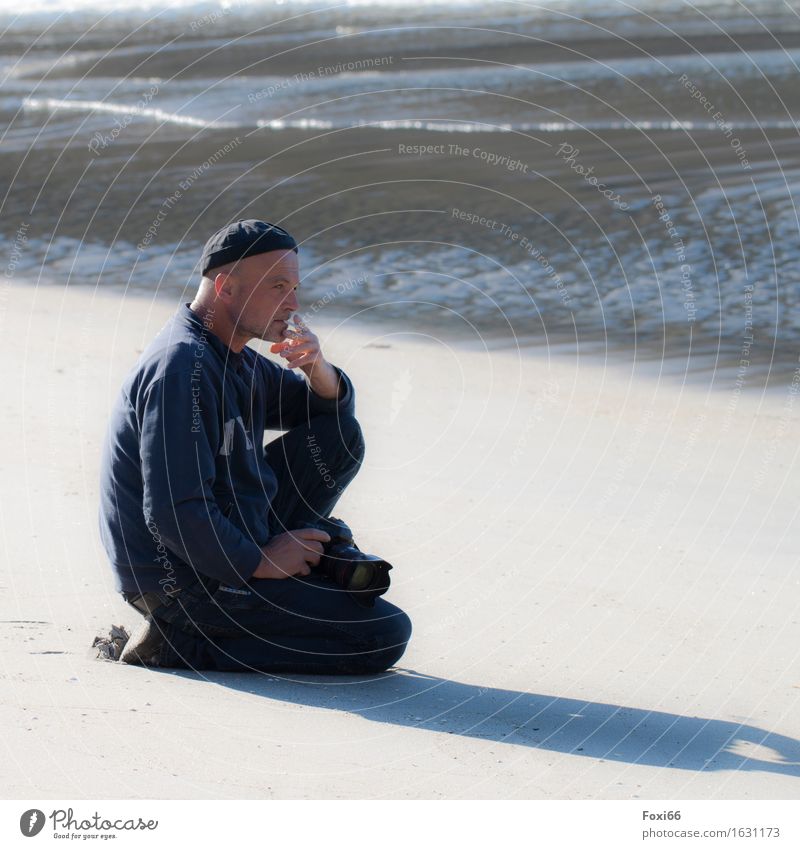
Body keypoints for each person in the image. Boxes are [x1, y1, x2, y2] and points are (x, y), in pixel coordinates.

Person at [97, 219, 411, 673]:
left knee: (341, 435)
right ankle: (179, 644)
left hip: (220, 543)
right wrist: (258, 561)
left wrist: (318, 368)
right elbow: (171, 510)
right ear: (226, 288)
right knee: (381, 636)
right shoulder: (184, 368)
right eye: (279, 286)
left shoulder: (234, 357)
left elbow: (327, 414)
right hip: (177, 579)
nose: (295, 303)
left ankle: (278, 567)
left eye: (296, 287)